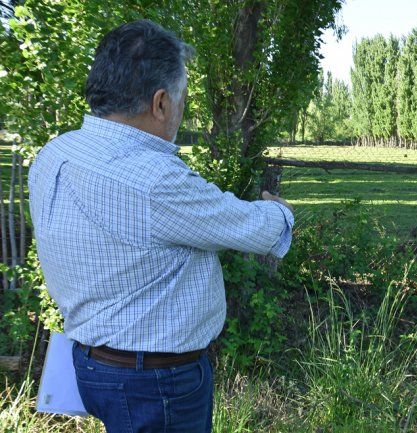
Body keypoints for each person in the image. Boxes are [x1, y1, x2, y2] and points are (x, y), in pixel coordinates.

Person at [27, 19, 294, 432]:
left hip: (90, 365)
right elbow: (257, 229)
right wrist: (279, 211)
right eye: (182, 98)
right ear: (161, 103)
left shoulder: (53, 154)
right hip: (154, 384)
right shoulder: (154, 180)